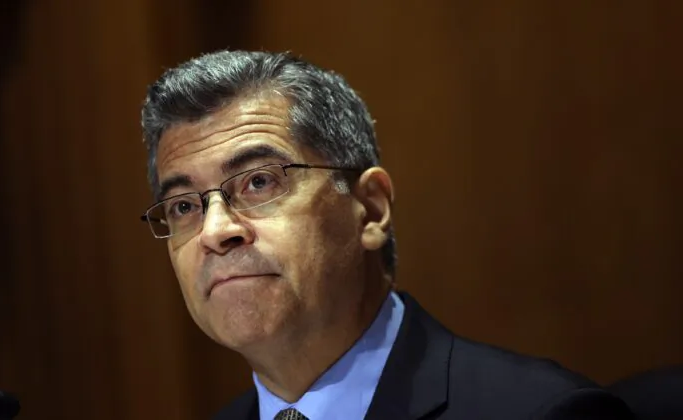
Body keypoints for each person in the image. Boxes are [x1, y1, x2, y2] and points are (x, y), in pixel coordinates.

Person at [139, 50, 634, 420]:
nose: (216, 230)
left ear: (370, 208)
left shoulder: (543, 412)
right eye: (184, 206)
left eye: (259, 181)